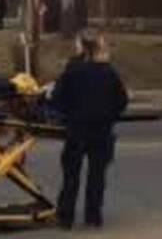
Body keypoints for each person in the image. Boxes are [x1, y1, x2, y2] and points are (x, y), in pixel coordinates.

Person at [51, 33, 128, 230]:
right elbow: (121, 100)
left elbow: (57, 100)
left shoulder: (72, 72)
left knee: (71, 175)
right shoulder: (109, 72)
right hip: (101, 130)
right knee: (97, 175)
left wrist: (66, 116)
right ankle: (93, 216)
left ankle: (66, 217)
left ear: (82, 48)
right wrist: (109, 116)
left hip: (76, 129)